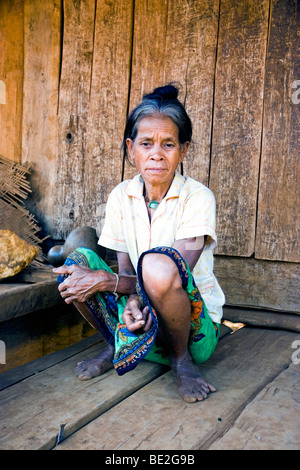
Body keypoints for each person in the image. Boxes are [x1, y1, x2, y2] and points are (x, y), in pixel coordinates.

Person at [53, 84, 225, 403]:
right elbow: (126, 268)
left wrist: (111, 282)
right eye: (146, 143)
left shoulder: (197, 197)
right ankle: (115, 343)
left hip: (191, 331)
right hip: (141, 318)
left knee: (160, 264)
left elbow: (175, 273)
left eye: (168, 144)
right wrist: (130, 299)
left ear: (183, 150)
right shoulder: (122, 195)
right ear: (132, 150)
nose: (156, 153)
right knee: (73, 267)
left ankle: (180, 362)